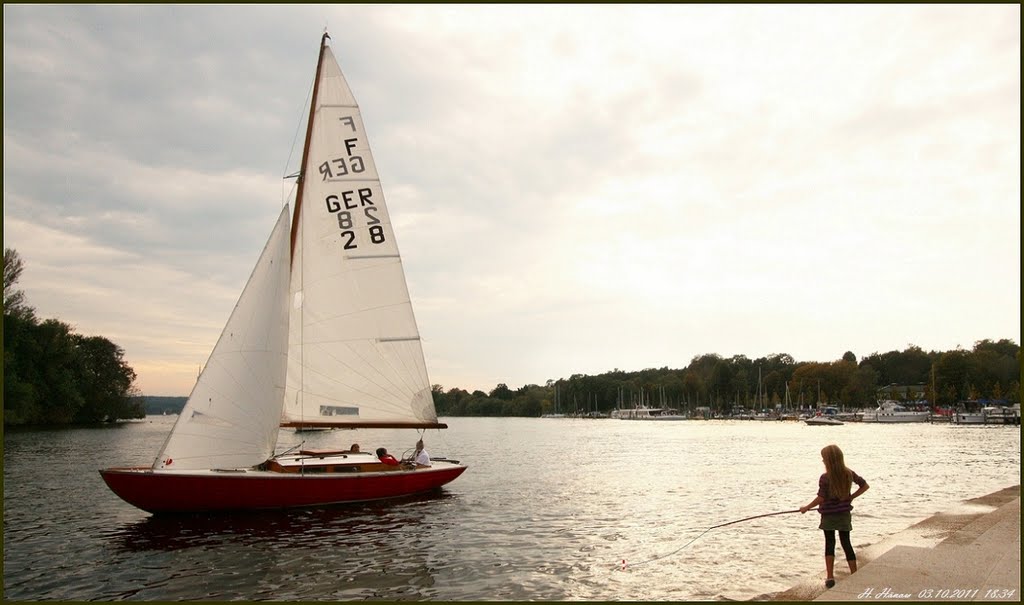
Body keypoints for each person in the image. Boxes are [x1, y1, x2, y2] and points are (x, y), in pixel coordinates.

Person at [800, 444, 869, 589]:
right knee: (846, 543)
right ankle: (854, 573)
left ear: (829, 460)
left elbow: (821, 497)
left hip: (829, 515)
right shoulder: (848, 473)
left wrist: (806, 507)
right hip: (844, 514)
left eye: (824, 459)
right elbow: (864, 485)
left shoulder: (825, 478)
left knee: (829, 543)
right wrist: (851, 497)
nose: (822, 461)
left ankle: (830, 577)